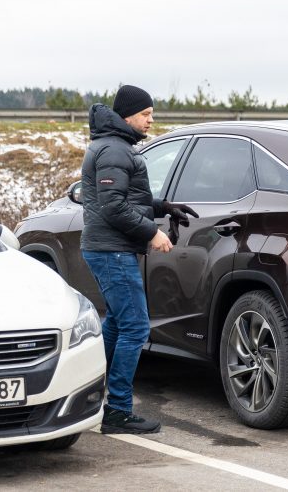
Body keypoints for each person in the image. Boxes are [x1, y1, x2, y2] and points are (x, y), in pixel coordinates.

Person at [80, 84, 197, 434]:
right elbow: (113, 206)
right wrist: (152, 231)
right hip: (112, 250)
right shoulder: (114, 149)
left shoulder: (114, 146)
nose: (151, 120)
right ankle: (117, 411)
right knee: (135, 327)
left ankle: (89, 393)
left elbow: (123, 197)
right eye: (146, 114)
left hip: (109, 248)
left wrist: (163, 208)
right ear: (127, 115)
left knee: (117, 323)